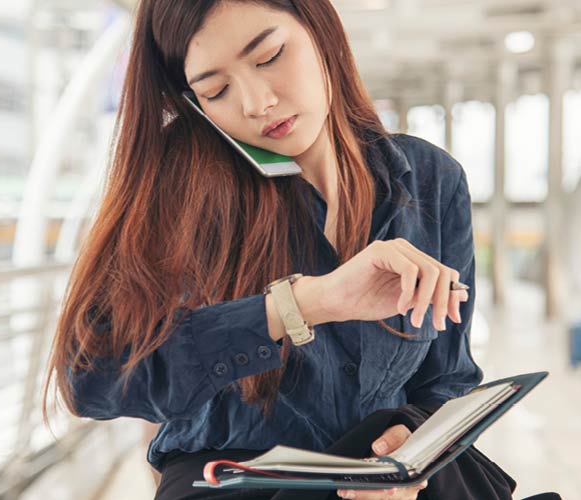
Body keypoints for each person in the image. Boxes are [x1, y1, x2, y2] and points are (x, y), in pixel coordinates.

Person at [43, 1, 506, 499]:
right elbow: (89, 376)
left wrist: (411, 449)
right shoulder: (183, 194)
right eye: (216, 90)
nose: (256, 102)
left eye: (268, 57)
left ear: (320, 30)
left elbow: (449, 378)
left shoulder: (432, 180)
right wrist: (300, 305)